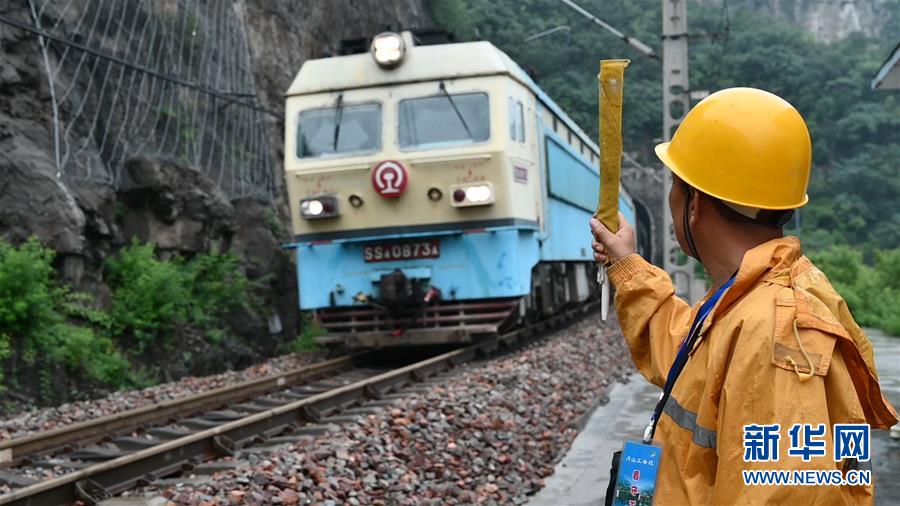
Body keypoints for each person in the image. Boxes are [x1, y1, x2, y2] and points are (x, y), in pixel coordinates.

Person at [590, 87, 898, 504]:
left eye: (675, 186)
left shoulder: (780, 337)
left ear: (694, 202)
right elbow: (682, 352)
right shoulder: (744, 299)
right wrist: (626, 264)